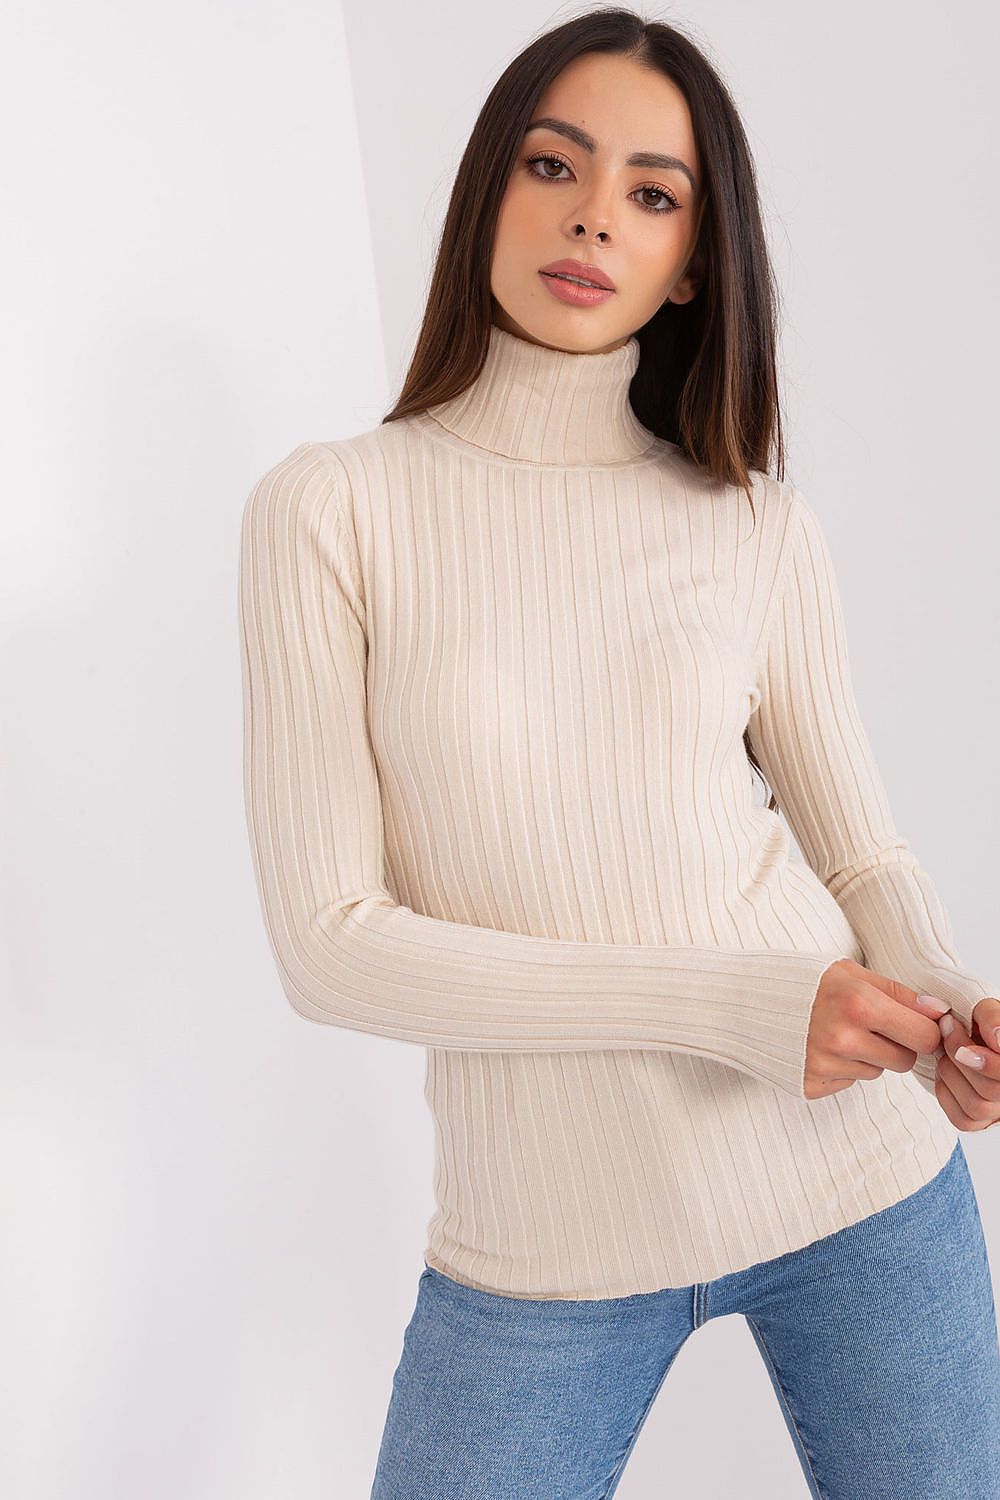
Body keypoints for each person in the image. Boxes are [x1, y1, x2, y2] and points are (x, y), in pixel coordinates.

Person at [237, 10, 1000, 1496]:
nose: (595, 214)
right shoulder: (331, 511)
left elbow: (860, 854)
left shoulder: (754, 520)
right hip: (541, 1245)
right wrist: (737, 1005)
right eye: (554, 164)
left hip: (858, 1184)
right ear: (490, 193)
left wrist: (951, 1000)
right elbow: (329, 947)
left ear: (693, 262)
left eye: (653, 194)